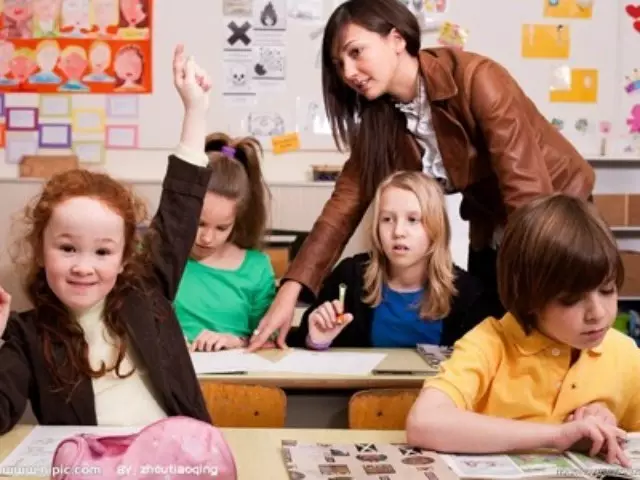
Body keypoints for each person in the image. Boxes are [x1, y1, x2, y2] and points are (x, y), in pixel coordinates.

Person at [248, 0, 595, 351]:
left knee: (556, 328)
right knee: (502, 338)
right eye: (339, 64)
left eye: (356, 52)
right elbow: (343, 207)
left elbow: (527, 194)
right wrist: (289, 292)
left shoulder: (478, 79)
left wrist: (536, 286)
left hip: (556, 212)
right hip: (491, 221)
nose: (348, 72)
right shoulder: (383, 119)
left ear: (397, 40)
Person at [0, 44, 213, 434]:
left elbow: (179, 211)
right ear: (41, 251)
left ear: (124, 258)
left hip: (174, 458)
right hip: (91, 463)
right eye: (67, 248)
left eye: (102, 251)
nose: (84, 266)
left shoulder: (147, 294)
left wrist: (195, 109)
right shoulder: (25, 333)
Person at [405, 194, 640, 467]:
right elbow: (424, 423)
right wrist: (557, 435)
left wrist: (611, 426)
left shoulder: (624, 354)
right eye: (570, 300)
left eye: (608, 290)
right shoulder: (489, 343)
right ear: (528, 299)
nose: (597, 313)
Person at [287, 171, 493, 349]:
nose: (398, 232)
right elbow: (299, 344)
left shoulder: (467, 292)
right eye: (387, 219)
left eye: (413, 220)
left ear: (437, 227)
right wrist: (317, 341)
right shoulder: (349, 278)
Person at [173, 133, 276, 352]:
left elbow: (270, 340)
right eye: (200, 223)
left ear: (237, 220)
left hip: (235, 371)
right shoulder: (160, 256)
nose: (207, 238)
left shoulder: (256, 267)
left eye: (222, 228)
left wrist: (236, 341)